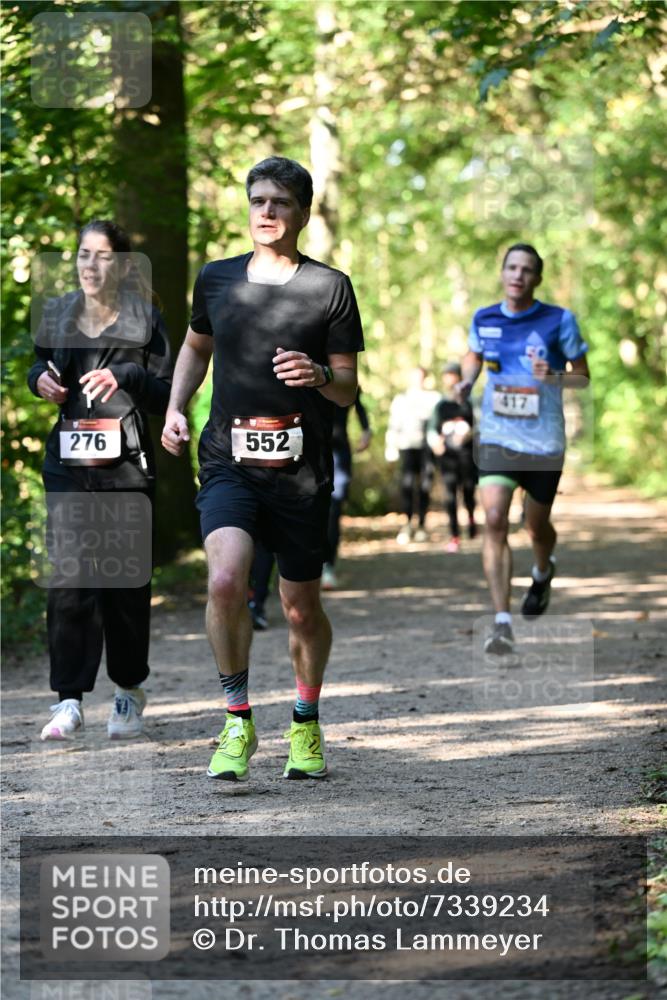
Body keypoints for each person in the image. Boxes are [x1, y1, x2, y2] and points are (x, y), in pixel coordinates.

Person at [161, 156, 364, 781]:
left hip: (300, 468)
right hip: (228, 459)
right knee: (225, 581)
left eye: (279, 203)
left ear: (302, 212)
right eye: (257, 202)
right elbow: (197, 347)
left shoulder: (330, 286)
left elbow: (350, 389)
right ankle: (237, 718)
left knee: (301, 607)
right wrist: (174, 407)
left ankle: (305, 723)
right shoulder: (216, 280)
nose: (267, 213)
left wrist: (322, 374)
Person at [28, 219, 172, 739]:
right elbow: (40, 365)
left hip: (126, 466)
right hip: (68, 465)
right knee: (69, 579)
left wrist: (126, 376)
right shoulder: (58, 314)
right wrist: (38, 380)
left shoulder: (145, 319)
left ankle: (129, 689)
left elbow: (164, 392)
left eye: (103, 256)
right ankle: (68, 700)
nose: (91, 265)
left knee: (124, 584)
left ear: (123, 265)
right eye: (83, 254)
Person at [458, 243, 590, 655]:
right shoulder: (485, 317)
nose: (518, 275)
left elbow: (582, 378)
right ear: (502, 273)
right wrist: (466, 381)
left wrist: (553, 375)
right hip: (498, 437)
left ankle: (542, 568)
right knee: (494, 517)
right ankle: (501, 621)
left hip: (545, 441)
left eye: (527, 270)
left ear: (537, 278)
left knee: (536, 527)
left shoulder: (558, 320)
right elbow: (473, 357)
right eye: (512, 267)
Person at [321, 387, 371, 590]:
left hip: (340, 451)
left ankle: (328, 567)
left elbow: (359, 407)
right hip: (312, 451)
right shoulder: (304, 369)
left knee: (334, 511)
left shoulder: (346, 378)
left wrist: (366, 431)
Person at [385, 367, 440, 543]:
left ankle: (422, 525)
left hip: (427, 449)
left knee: (425, 486)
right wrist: (391, 447)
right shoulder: (401, 400)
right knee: (407, 486)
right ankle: (407, 524)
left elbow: (437, 423)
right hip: (407, 447)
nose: (418, 380)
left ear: (425, 379)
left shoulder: (434, 399)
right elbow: (394, 424)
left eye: (421, 377)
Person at [427, 361, 477, 553]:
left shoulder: (469, 403)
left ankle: (471, 521)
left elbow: (479, 426)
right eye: (445, 375)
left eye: (451, 374)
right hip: (447, 458)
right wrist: (435, 443)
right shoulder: (441, 405)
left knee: (468, 491)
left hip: (467, 456)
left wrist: (468, 433)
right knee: (450, 495)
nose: (448, 379)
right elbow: (432, 429)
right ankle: (454, 535)